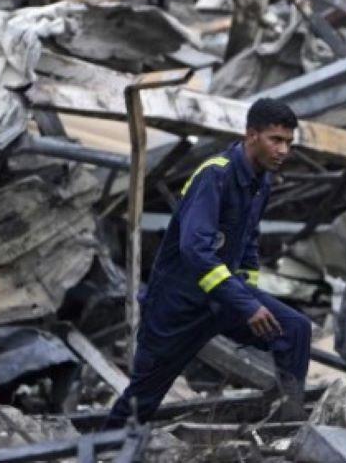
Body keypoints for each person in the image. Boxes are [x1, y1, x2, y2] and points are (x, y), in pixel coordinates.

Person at [105, 98, 312, 428]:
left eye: (289, 142)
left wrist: (245, 294)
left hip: (222, 300)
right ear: (251, 135)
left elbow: (247, 240)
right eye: (276, 140)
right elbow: (195, 250)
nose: (283, 150)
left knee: (294, 329)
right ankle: (106, 449)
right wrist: (246, 303)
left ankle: (288, 425)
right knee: (140, 401)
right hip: (177, 306)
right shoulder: (214, 176)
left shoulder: (262, 182)